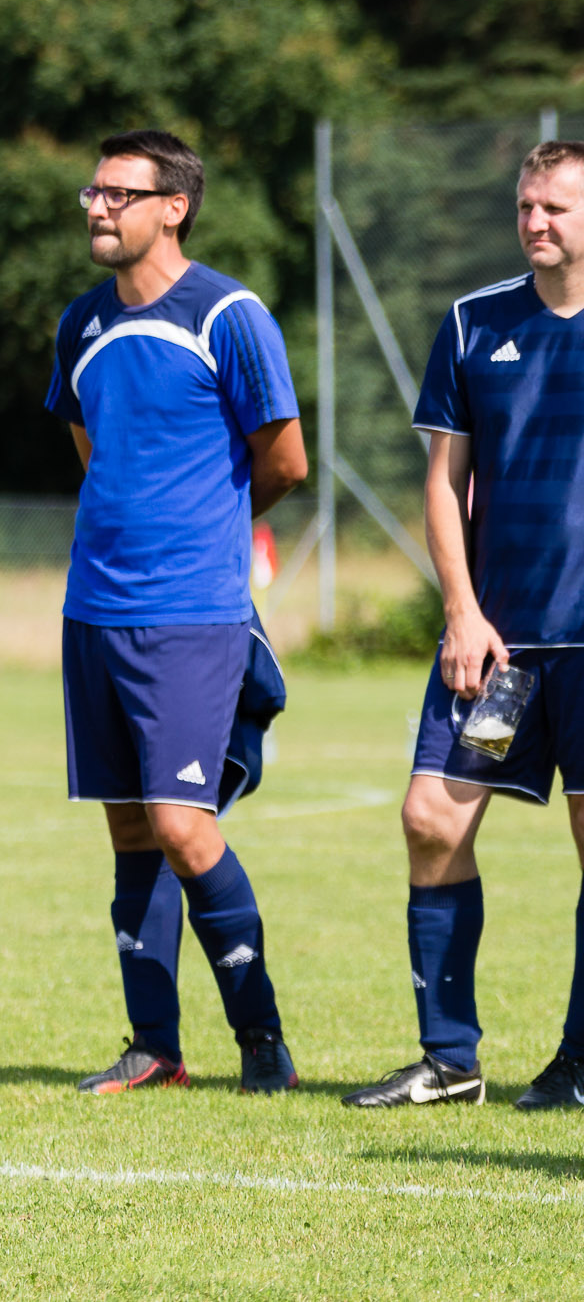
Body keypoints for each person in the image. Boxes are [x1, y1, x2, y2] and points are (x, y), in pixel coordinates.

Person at [343, 140, 584, 1111]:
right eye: (524, 206)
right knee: (431, 819)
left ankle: (580, 1061)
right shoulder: (474, 324)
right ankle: (449, 1056)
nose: (534, 222)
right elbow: (442, 482)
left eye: (554, 207)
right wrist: (461, 612)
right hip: (497, 647)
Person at [50, 131, 308, 1097]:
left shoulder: (230, 314)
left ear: (175, 207)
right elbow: (94, 453)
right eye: (93, 191)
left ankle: (262, 1041)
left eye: (119, 193)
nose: (97, 208)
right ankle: (154, 1046)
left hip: (192, 616)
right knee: (128, 832)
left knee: (183, 824)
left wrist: (200, 538)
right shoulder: (81, 324)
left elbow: (284, 462)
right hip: (93, 613)